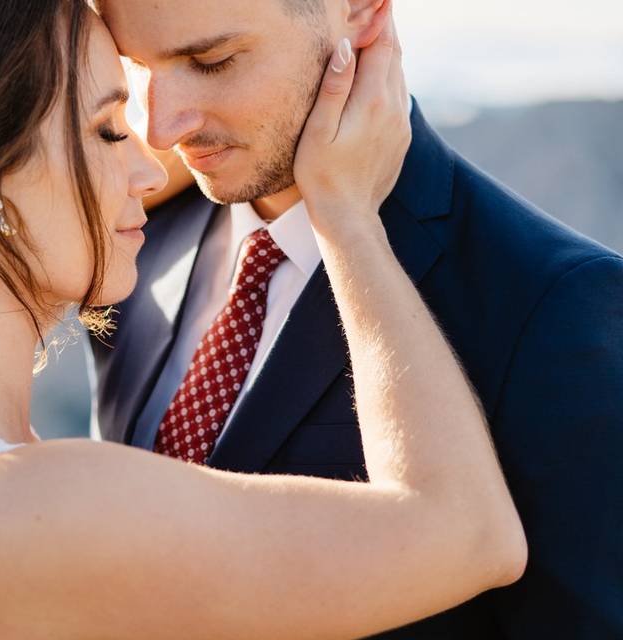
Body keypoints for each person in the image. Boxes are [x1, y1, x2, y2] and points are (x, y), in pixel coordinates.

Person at [0, 1, 525, 638]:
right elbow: (467, 536)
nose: (146, 166)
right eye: (109, 129)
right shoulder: (24, 509)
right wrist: (346, 213)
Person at [89, 0, 623, 637]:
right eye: (136, 64)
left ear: (361, 10)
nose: (162, 127)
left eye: (212, 61)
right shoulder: (134, 241)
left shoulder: (558, 304)